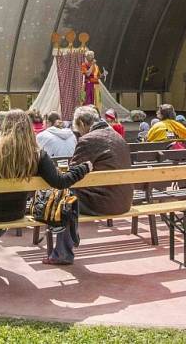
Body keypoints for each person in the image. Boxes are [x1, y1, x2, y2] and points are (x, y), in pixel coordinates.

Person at [0, 109, 91, 262]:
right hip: (15, 211)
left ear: (5, 127)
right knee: (4, 221)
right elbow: (60, 182)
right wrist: (83, 168)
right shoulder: (37, 155)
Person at [47, 106, 132, 265]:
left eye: (77, 128)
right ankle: (70, 239)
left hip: (104, 203)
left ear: (81, 122)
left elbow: (72, 174)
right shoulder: (118, 137)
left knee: (63, 198)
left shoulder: (88, 139)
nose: (78, 132)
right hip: (124, 200)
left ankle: (62, 253)